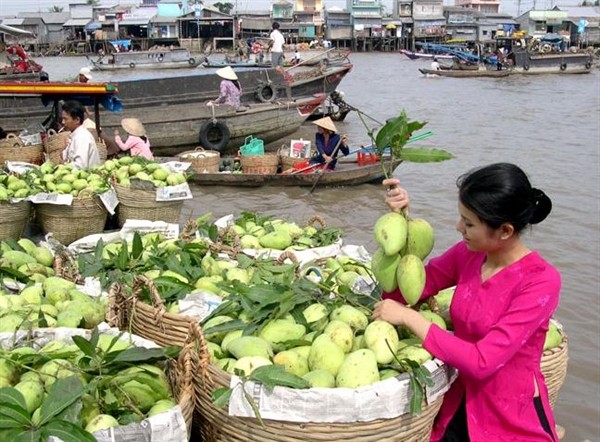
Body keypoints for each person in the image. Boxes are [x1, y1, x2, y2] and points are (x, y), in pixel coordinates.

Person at [373, 163, 560, 442]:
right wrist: (402, 226)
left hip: (508, 415)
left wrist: (410, 318)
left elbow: (483, 361)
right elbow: (402, 295)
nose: (458, 227)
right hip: (458, 401)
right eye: (461, 217)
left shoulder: (540, 282)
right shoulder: (468, 254)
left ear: (505, 231)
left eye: (469, 223)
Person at [61, 100, 101, 169]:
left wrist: (63, 167)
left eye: (65, 119)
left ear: (77, 120)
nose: (63, 122)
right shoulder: (75, 136)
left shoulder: (82, 137)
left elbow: (80, 165)